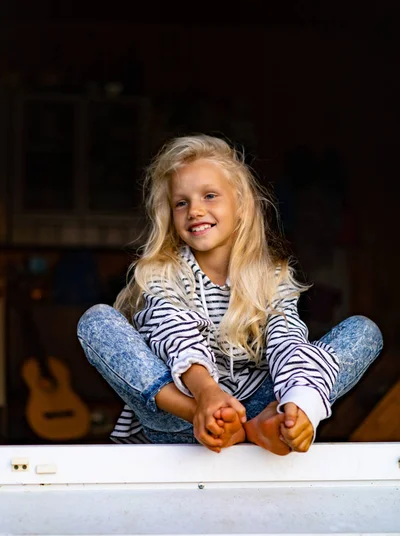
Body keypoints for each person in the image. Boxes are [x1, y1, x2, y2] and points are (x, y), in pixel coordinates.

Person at [77, 135, 383, 454]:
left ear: (241, 205)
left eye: (209, 196)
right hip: (178, 414)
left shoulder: (273, 277)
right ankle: (206, 417)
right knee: (96, 321)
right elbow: (175, 334)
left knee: (364, 332)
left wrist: (299, 401)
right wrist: (206, 397)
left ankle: (272, 422)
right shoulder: (161, 273)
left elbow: (287, 341)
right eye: (181, 202)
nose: (195, 210)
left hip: (254, 408)